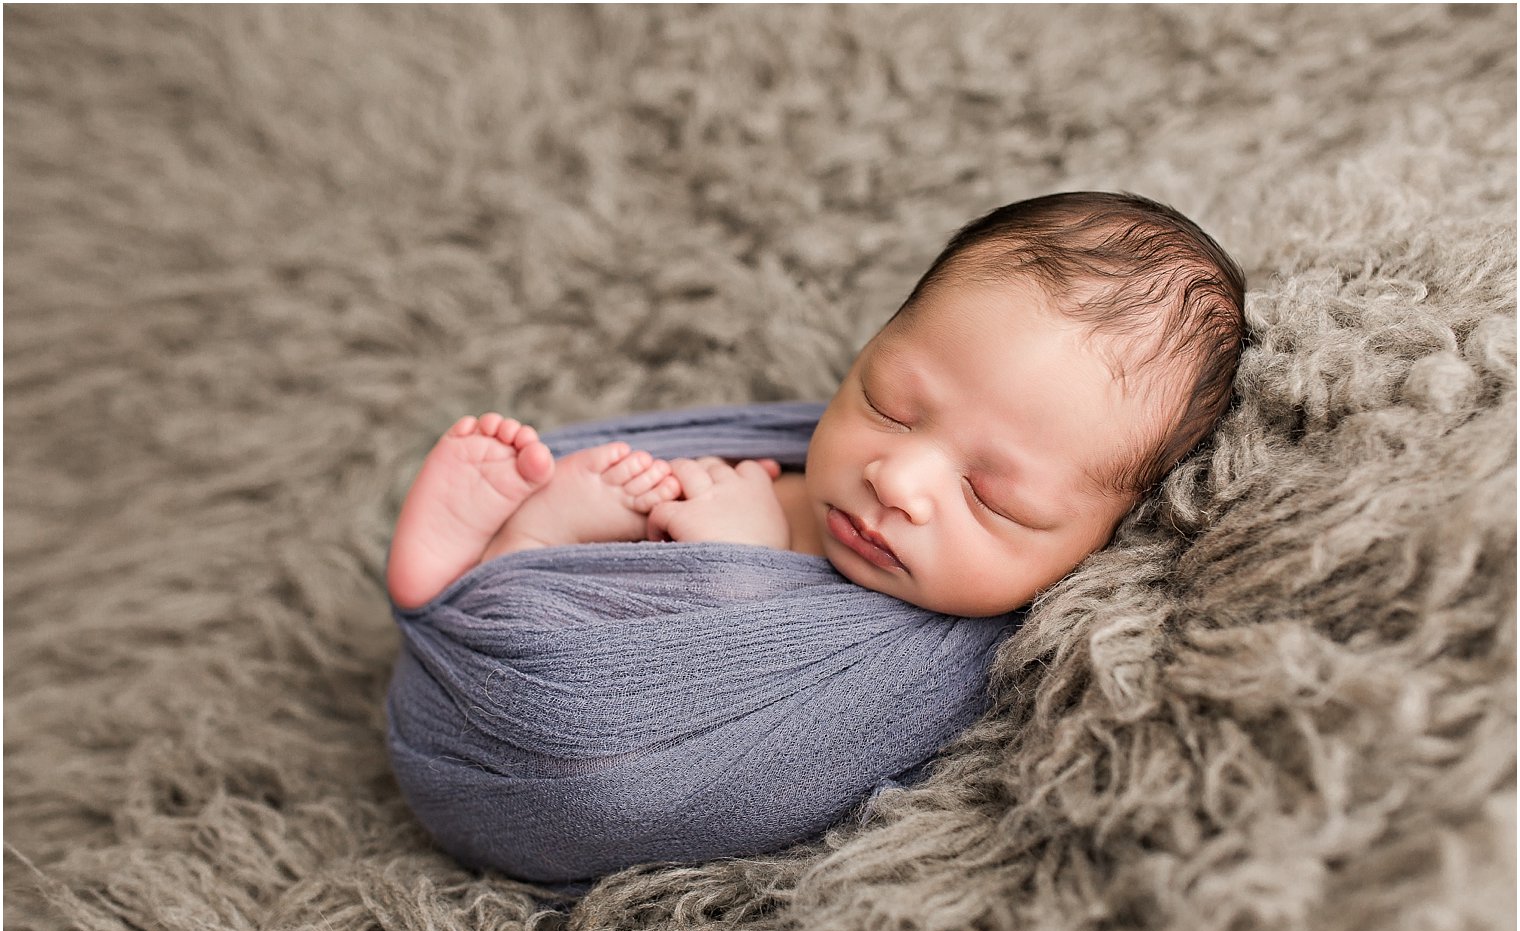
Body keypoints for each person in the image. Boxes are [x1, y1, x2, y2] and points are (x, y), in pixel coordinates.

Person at [385, 191, 1246, 618]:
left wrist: (736, 566)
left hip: (578, 721)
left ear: (1105, 536)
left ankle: (493, 573)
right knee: (608, 499)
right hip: (606, 578)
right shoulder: (802, 476)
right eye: (889, 403)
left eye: (992, 497)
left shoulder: (927, 656)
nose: (896, 476)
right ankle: (490, 560)